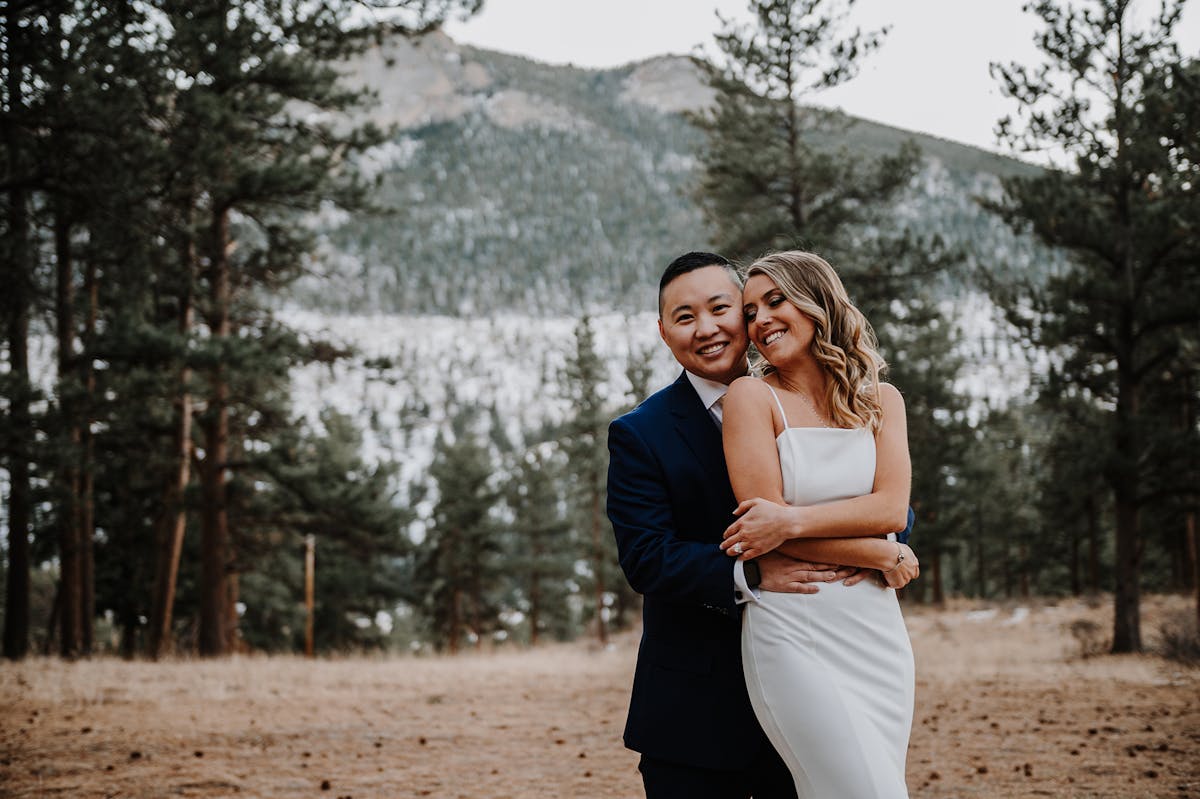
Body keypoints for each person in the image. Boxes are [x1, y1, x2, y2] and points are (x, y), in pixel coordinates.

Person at [606, 252, 916, 799]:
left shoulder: (838, 399)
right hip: (698, 714)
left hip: (847, 648)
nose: (706, 329)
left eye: (722, 309)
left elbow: (893, 510)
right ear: (663, 331)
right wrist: (751, 570)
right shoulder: (641, 433)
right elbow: (646, 556)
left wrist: (878, 547)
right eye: (684, 317)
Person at [719, 250, 918, 798]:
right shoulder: (751, 398)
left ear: (818, 302)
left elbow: (890, 511)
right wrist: (881, 554)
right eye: (750, 310)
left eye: (775, 301)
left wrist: (793, 520)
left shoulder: (883, 401)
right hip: (792, 626)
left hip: (875, 631)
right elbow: (765, 536)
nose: (760, 321)